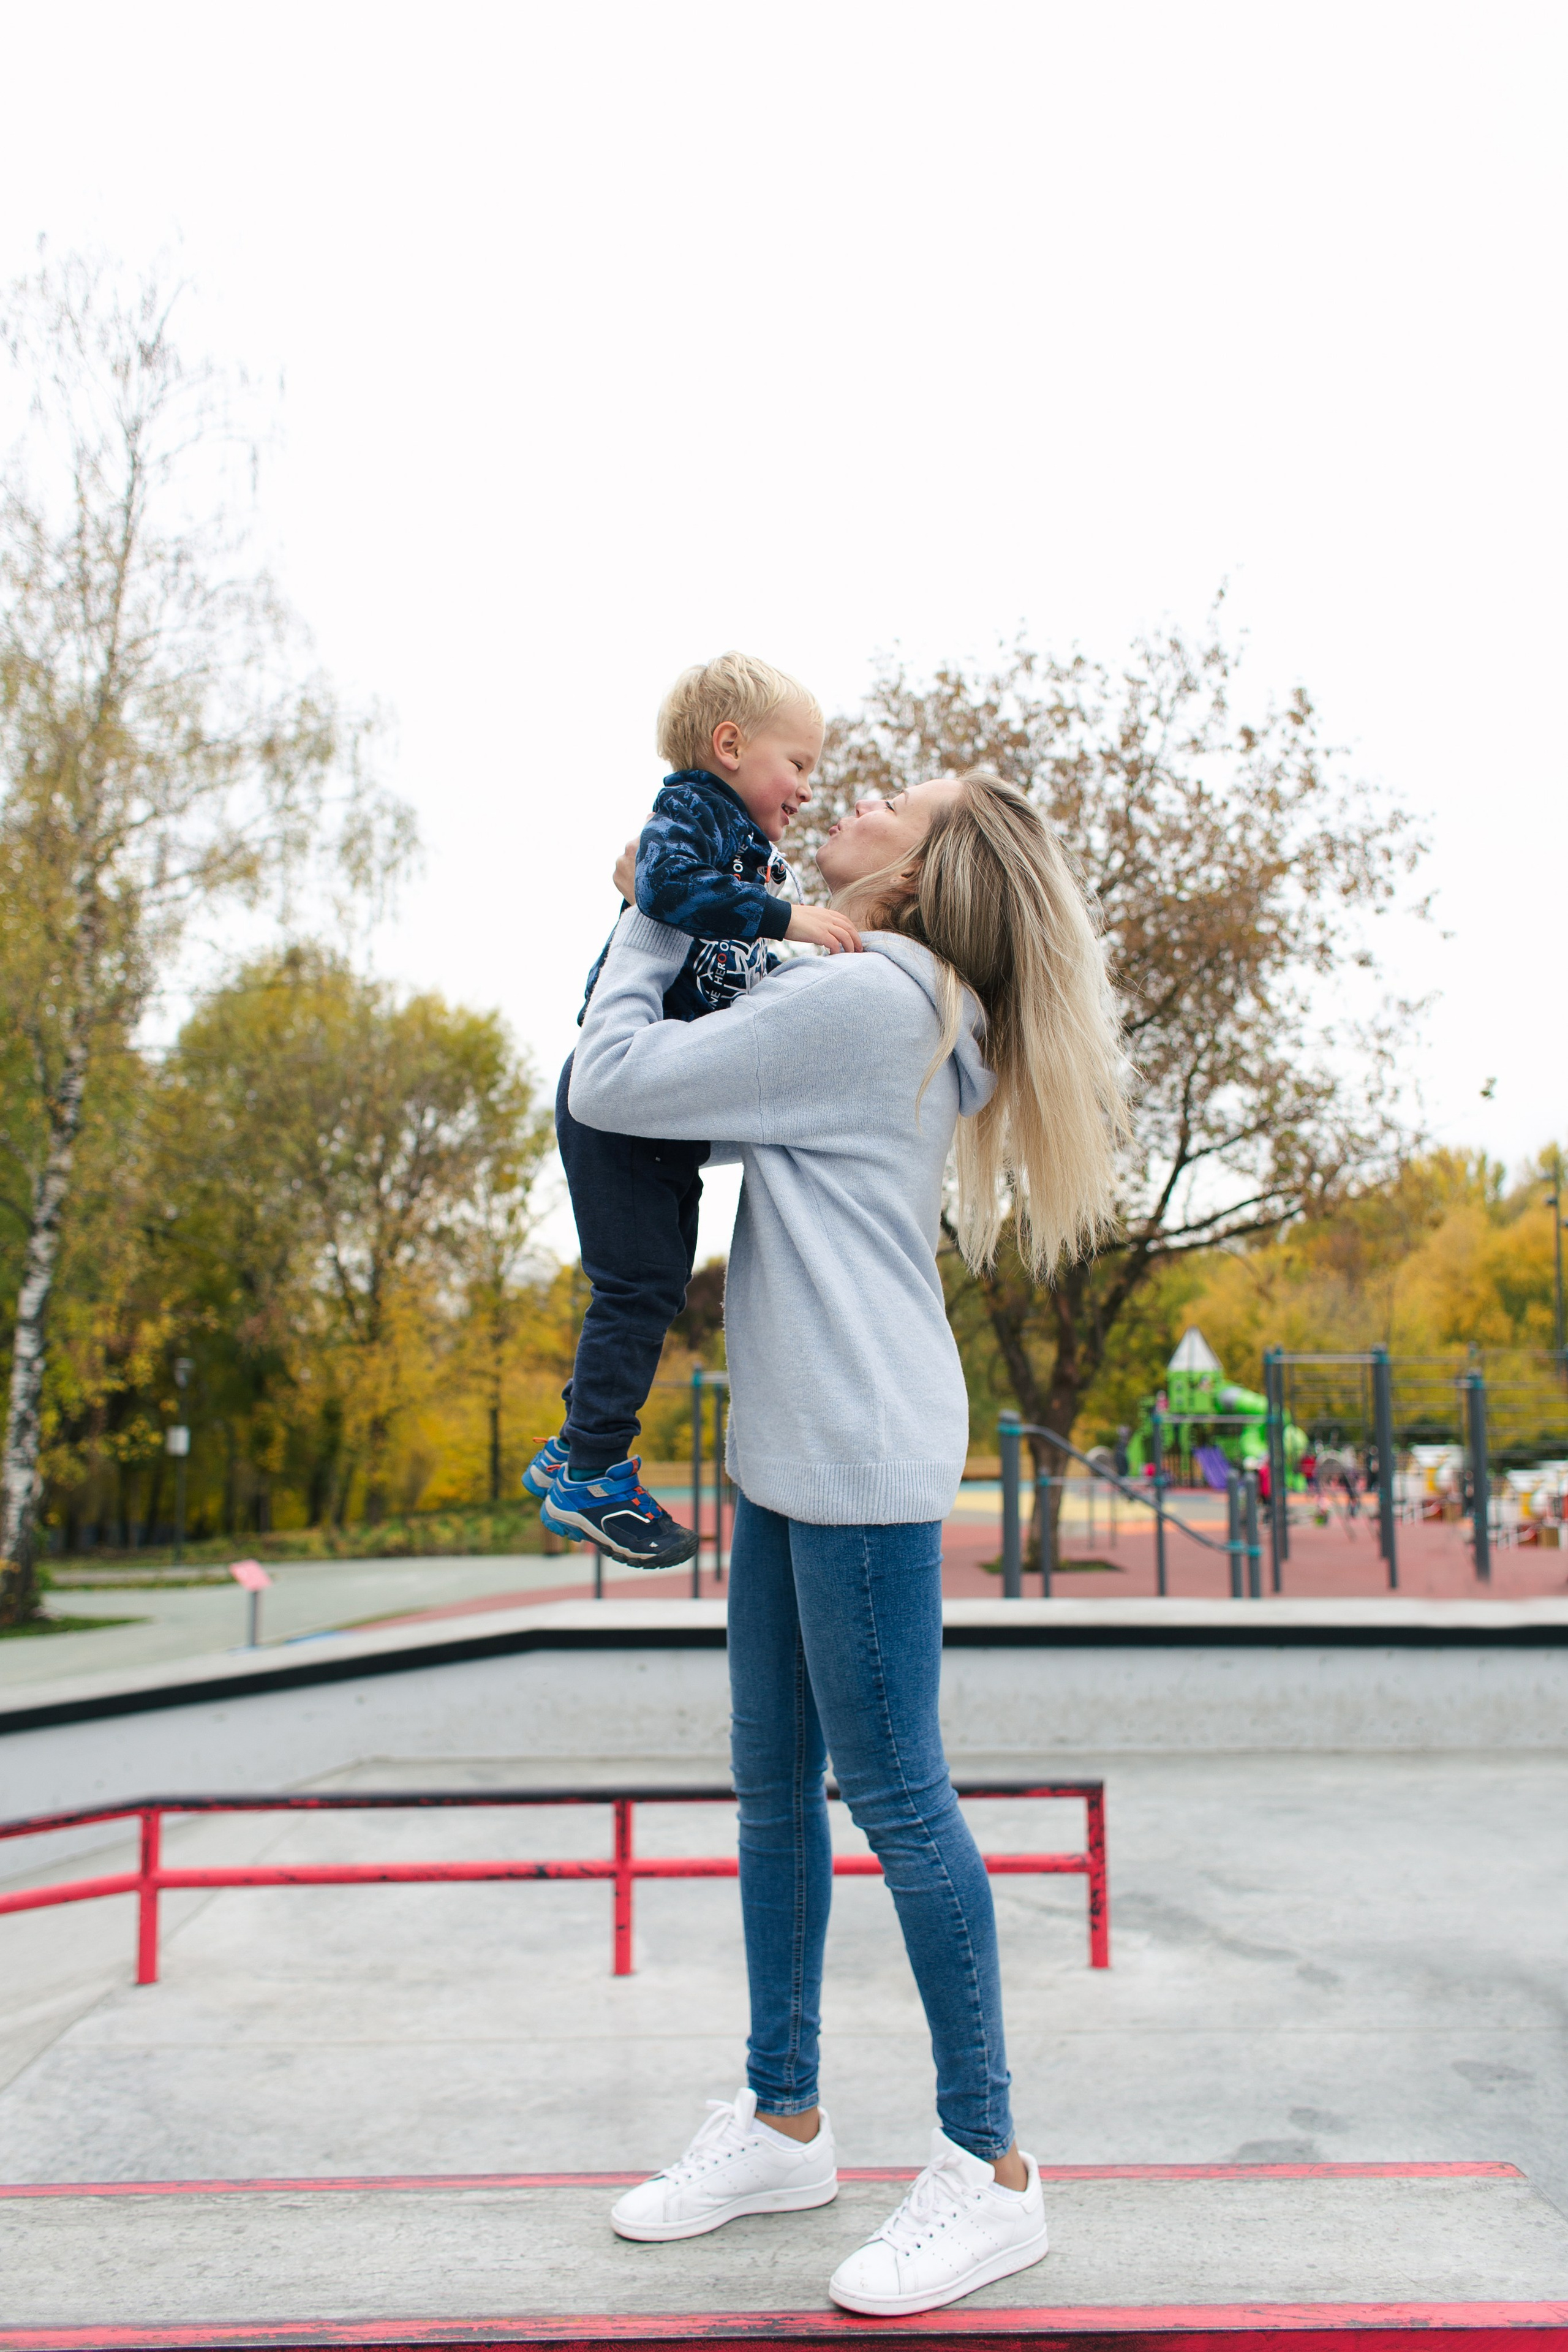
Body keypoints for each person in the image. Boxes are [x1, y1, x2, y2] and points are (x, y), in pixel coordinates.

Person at [567, 766, 1128, 2315]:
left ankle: (990, 2169)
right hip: (802, 1444)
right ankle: (781, 2118)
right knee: (771, 1792)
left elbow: (614, 1079)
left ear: (926, 868)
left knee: (894, 1797)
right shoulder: (866, 985)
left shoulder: (877, 999)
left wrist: (640, 908)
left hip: (858, 1451)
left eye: (897, 796)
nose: (859, 793)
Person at [524, 653, 862, 1567]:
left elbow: (735, 975)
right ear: (730, 746)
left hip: (656, 1115)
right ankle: (594, 1471)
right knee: (636, 1289)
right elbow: (664, 893)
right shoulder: (693, 812)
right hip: (618, 1104)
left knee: (658, 1285)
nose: (804, 789)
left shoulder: (750, 850)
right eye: (798, 765)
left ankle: (570, 1447)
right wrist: (788, 923)